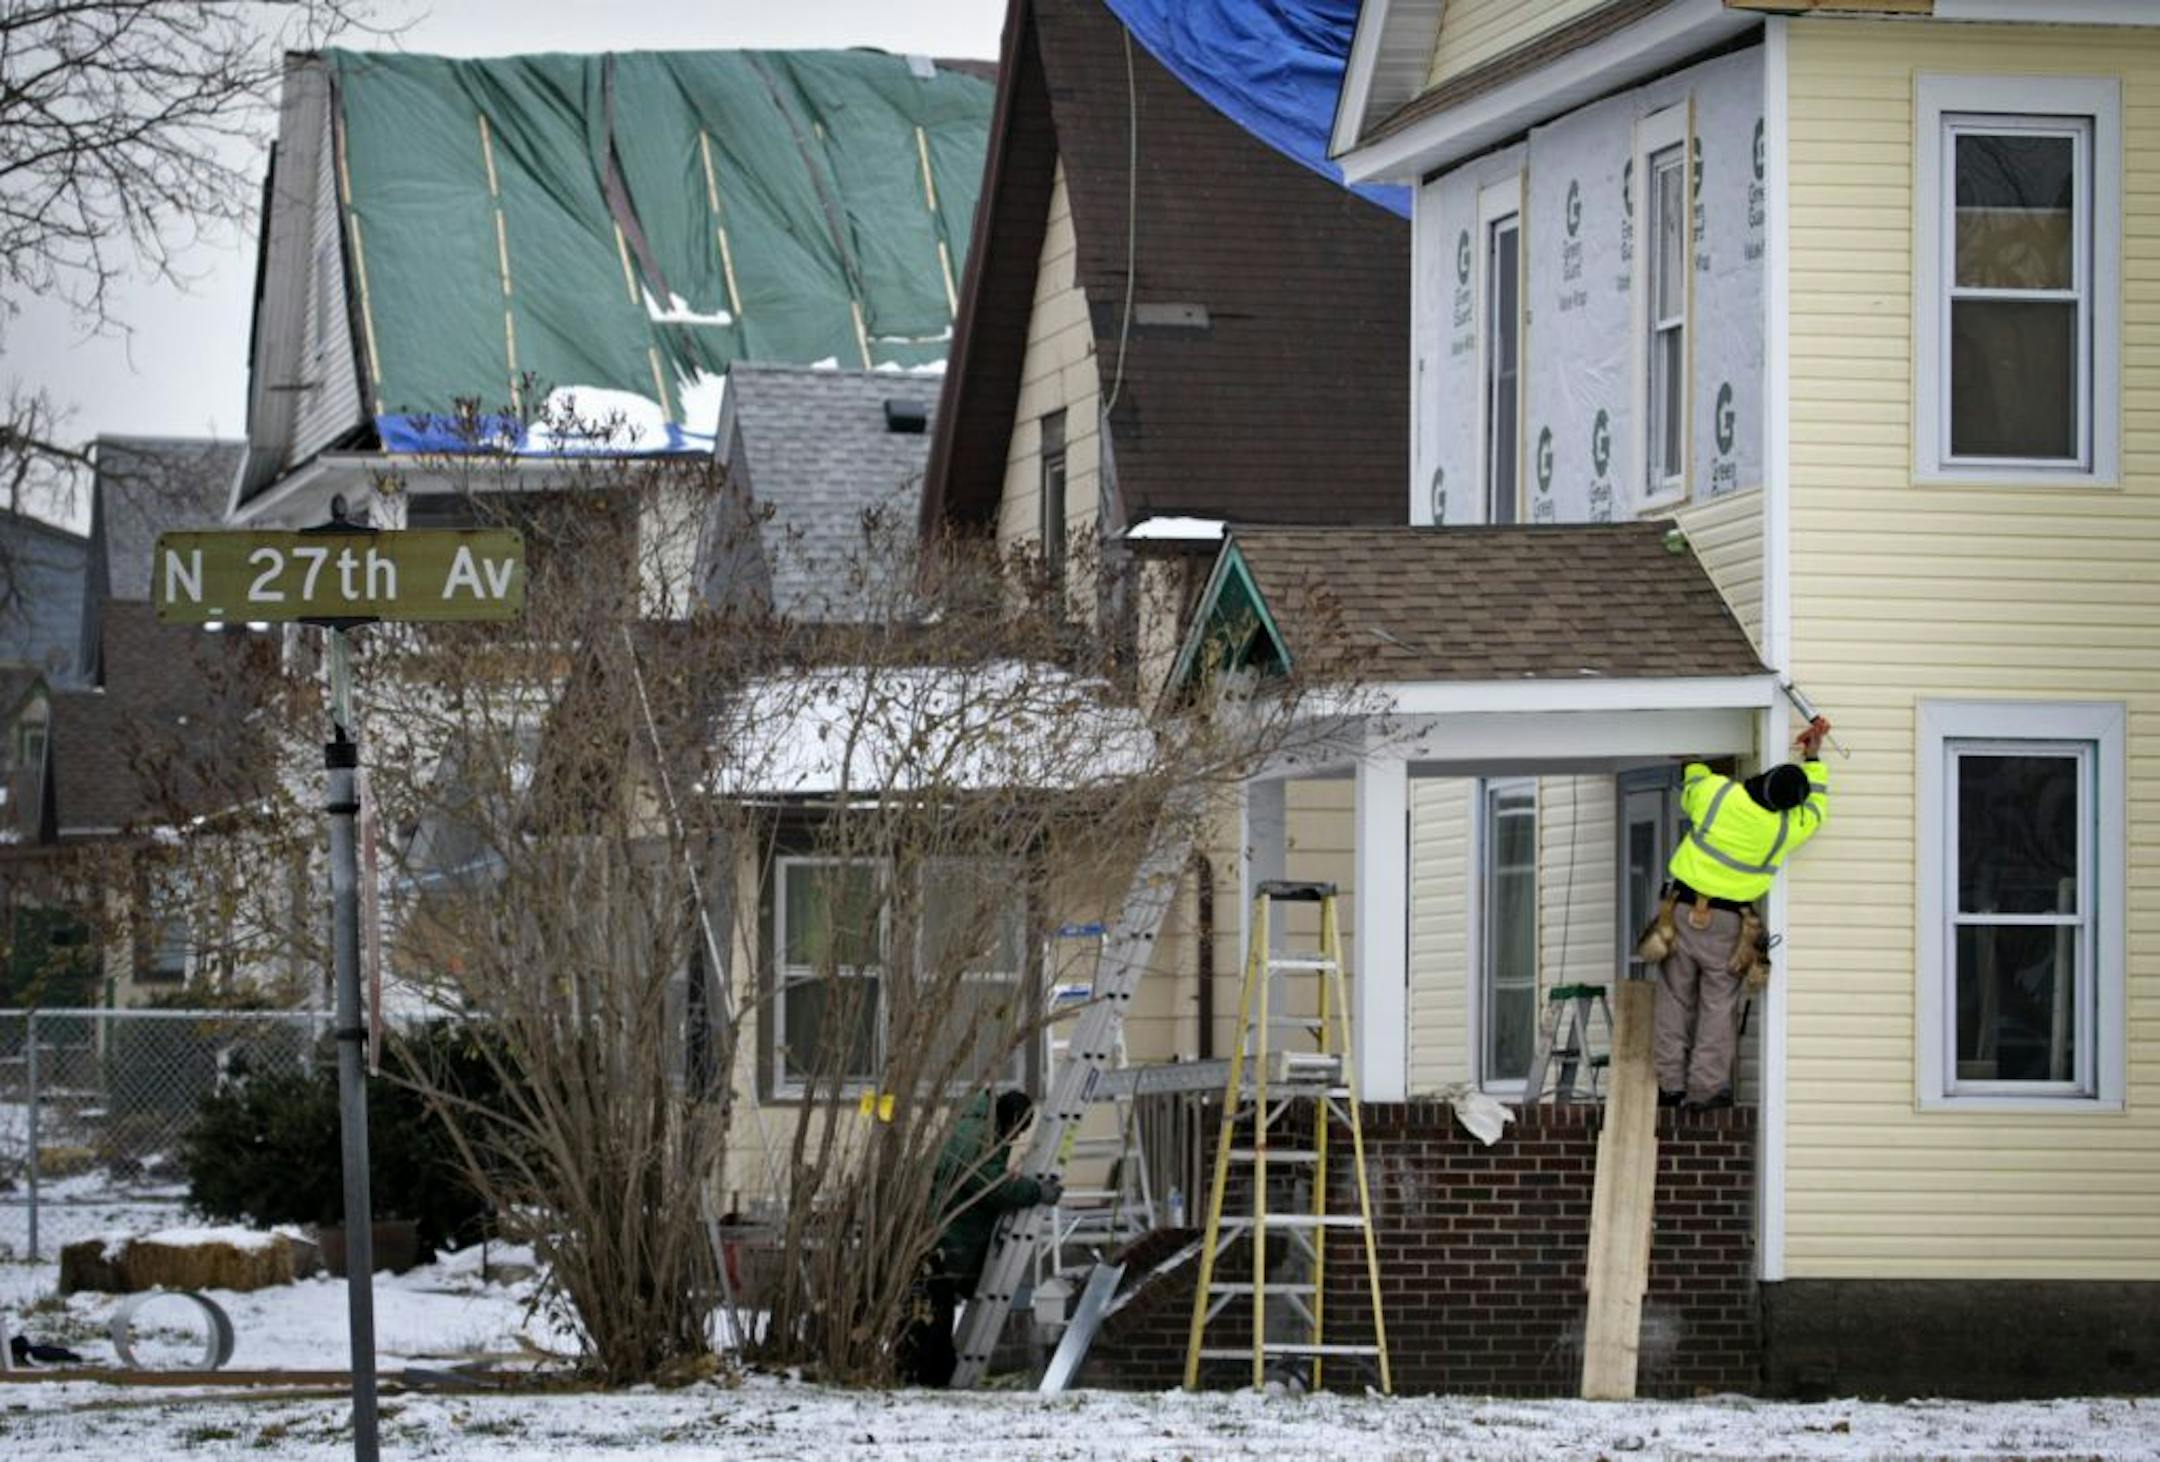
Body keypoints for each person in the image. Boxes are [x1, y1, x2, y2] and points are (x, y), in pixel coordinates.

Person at [1654, 721, 1830, 1109]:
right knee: (1718, 1006)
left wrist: (1693, 759)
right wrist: (1814, 760)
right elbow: (1817, 808)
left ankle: (1669, 1086)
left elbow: (1695, 784)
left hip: (1680, 912)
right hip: (1730, 926)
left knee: (1674, 998)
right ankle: (1705, 1092)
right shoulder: (1786, 829)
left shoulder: (1720, 795)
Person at [897, 1088, 1061, 1387]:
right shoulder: (979, 1140)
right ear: (1011, 1120)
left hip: (935, 1233)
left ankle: (921, 1375)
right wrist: (1037, 1192)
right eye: (1017, 1131)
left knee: (929, 1313)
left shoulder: (974, 1125)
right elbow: (992, 1186)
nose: (1013, 1139)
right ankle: (929, 1379)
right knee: (934, 1317)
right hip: (942, 1240)